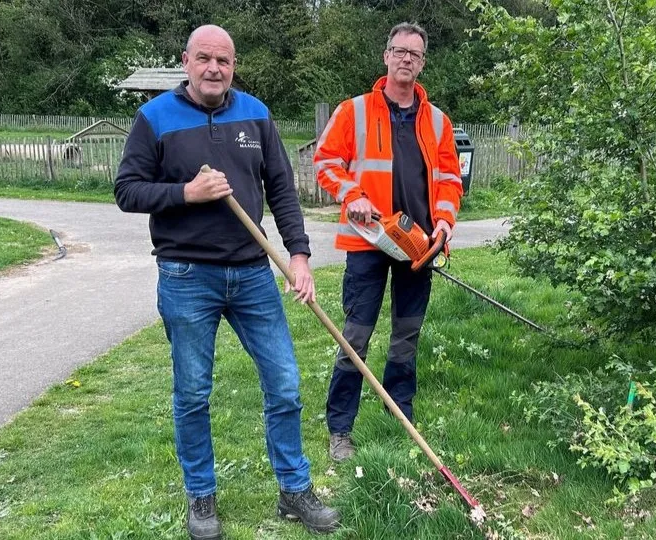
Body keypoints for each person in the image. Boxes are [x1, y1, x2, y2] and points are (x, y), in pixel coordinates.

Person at [115, 24, 339, 540]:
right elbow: (127, 191)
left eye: (224, 60)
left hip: (253, 273)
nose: (215, 68)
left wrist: (300, 255)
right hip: (186, 275)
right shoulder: (154, 119)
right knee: (193, 392)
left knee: (284, 383)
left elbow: (282, 187)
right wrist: (186, 193)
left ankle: (293, 489)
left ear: (233, 65)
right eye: (204, 59)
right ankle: (201, 498)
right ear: (186, 61)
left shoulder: (256, 114)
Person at [313, 22, 464, 462]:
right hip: (368, 241)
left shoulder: (437, 121)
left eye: (414, 55)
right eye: (399, 51)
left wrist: (445, 223)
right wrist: (352, 195)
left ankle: (400, 413)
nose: (406, 60)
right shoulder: (354, 111)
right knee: (355, 337)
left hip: (418, 245)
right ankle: (340, 428)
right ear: (386, 56)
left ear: (422, 63)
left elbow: (451, 179)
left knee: (407, 334)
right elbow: (325, 161)